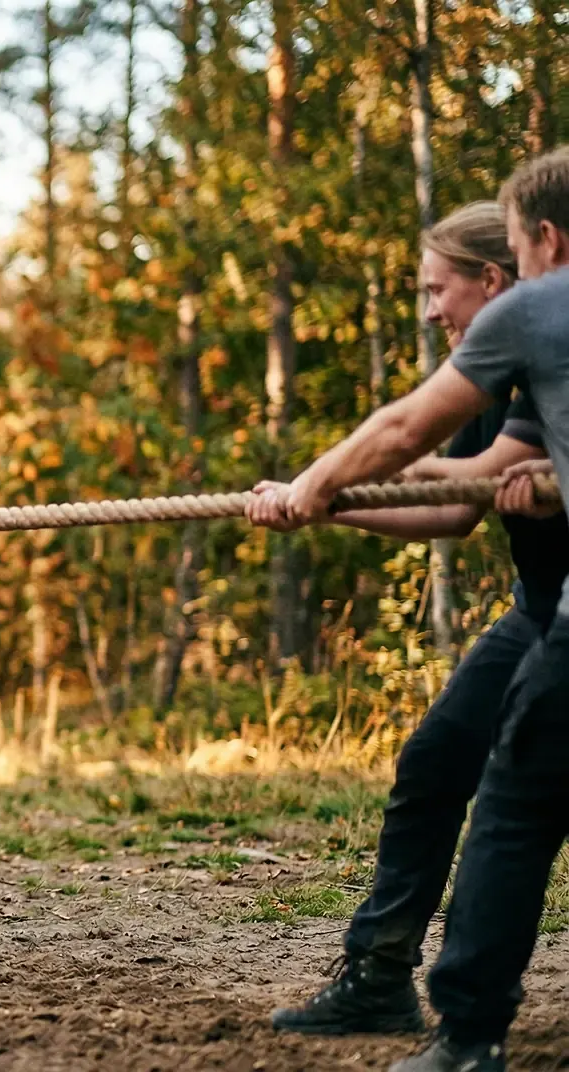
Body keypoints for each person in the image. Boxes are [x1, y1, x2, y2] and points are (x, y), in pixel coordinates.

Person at [250, 148, 569, 1072]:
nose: (430, 309)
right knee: (437, 765)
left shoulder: (529, 318)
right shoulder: (517, 370)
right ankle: (381, 971)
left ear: (518, 259)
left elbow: (419, 448)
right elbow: (463, 498)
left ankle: (467, 1036)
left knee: (515, 807)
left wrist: (321, 483)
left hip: (563, 622)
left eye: (440, 288)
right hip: (536, 612)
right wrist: (326, 503)